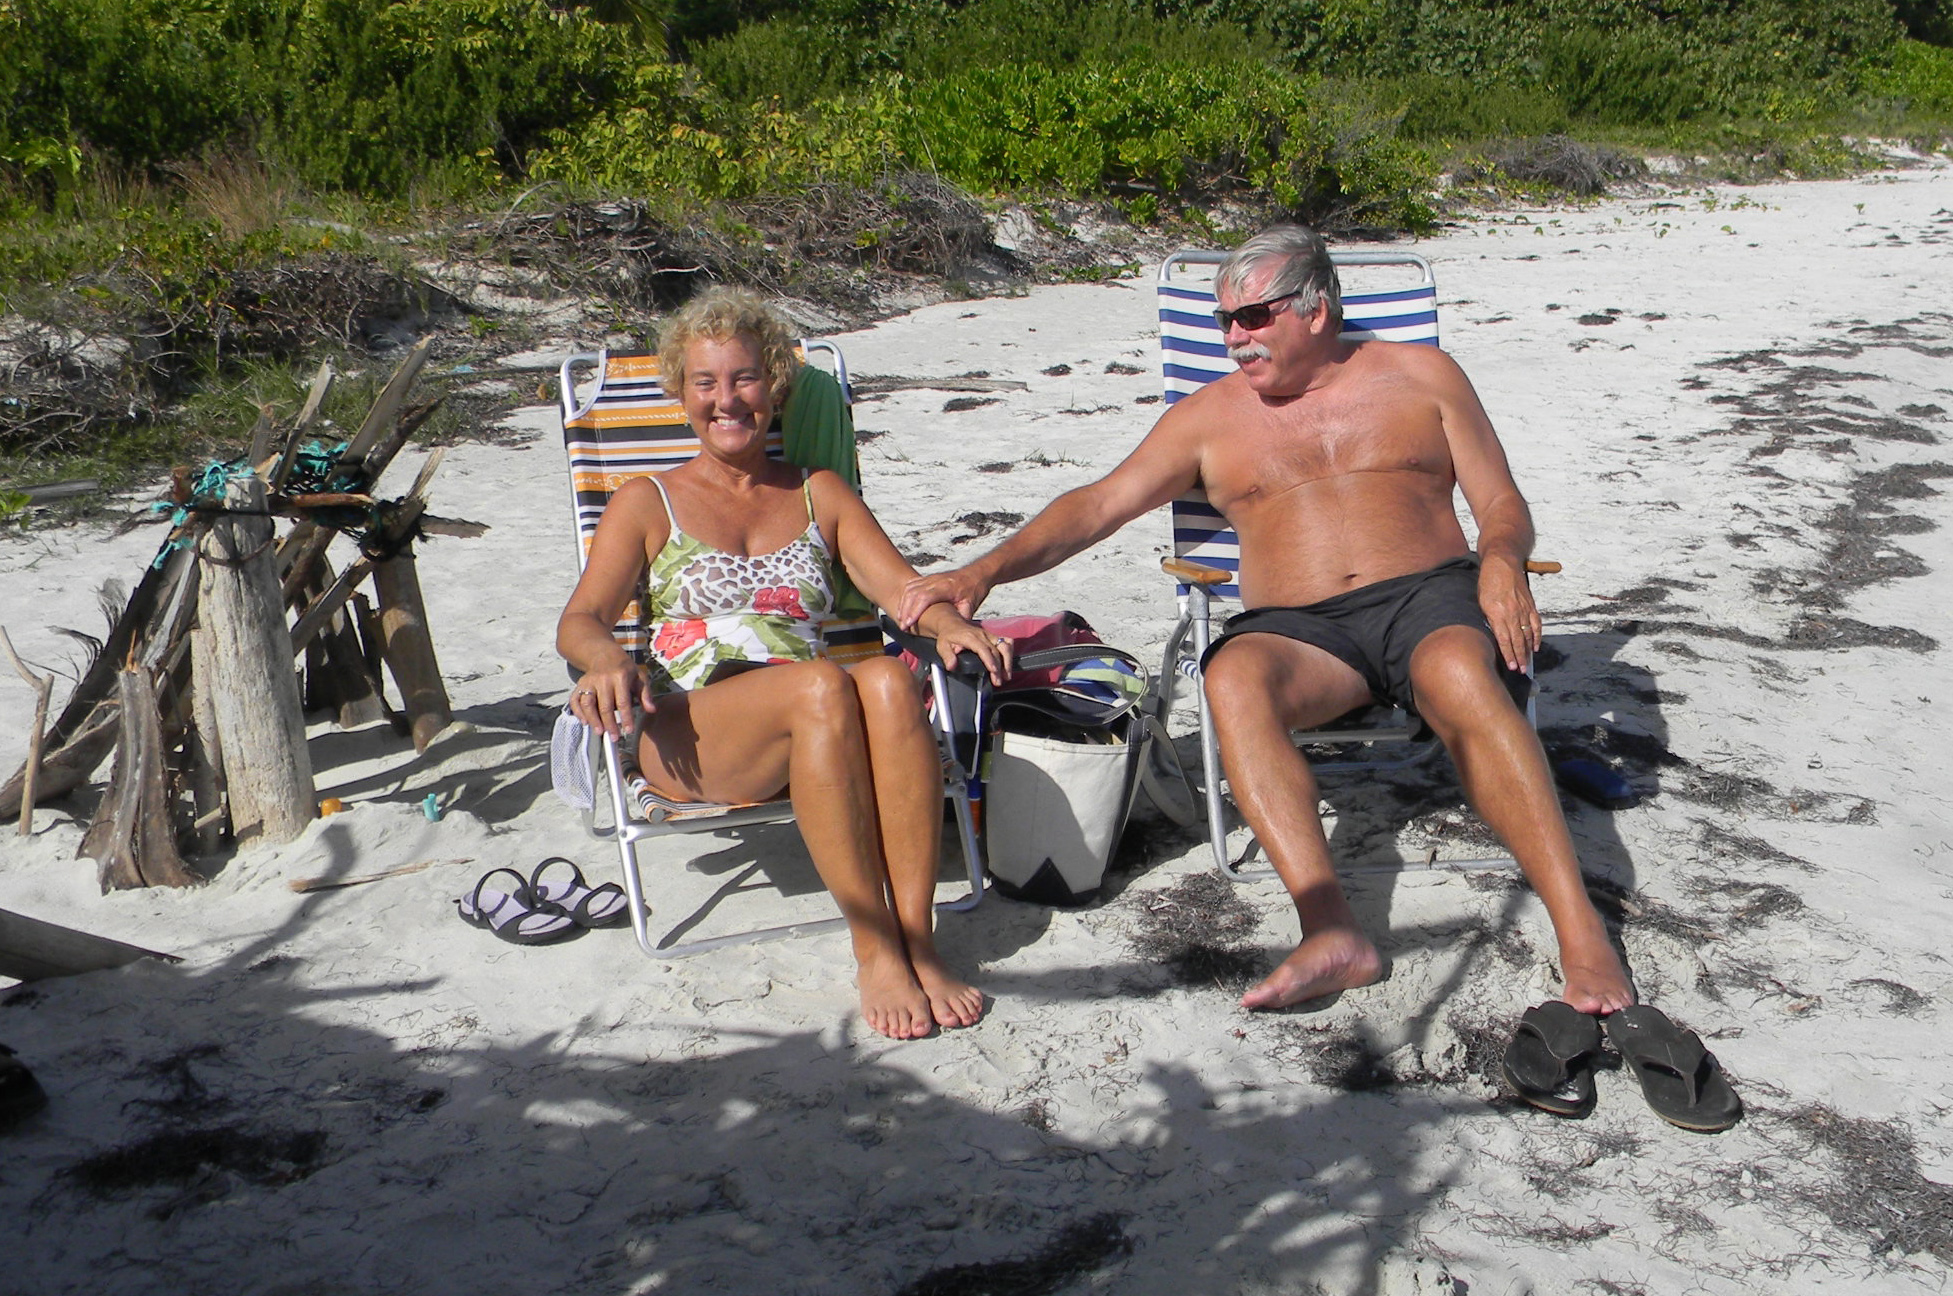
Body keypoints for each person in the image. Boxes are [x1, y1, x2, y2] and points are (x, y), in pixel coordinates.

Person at [897, 224, 1635, 1018]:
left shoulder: (1422, 376)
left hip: (1427, 600)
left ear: (1315, 310)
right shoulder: (1206, 419)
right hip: (1300, 632)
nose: (1233, 338)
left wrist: (1501, 560)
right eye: (1223, 320)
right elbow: (1097, 505)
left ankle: (1580, 932)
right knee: (1233, 676)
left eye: (1252, 316)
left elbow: (1499, 500)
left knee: (1457, 673)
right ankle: (1330, 932)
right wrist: (980, 572)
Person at [558, 287, 1011, 1040]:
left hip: (815, 730)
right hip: (691, 737)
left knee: (886, 680)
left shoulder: (818, 492)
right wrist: (605, 658)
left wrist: (950, 624)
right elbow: (579, 621)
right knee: (823, 684)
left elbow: (901, 591)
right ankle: (874, 948)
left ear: (773, 386)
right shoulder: (645, 501)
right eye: (705, 382)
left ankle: (916, 940)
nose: (726, 400)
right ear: (680, 393)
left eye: (744, 378)